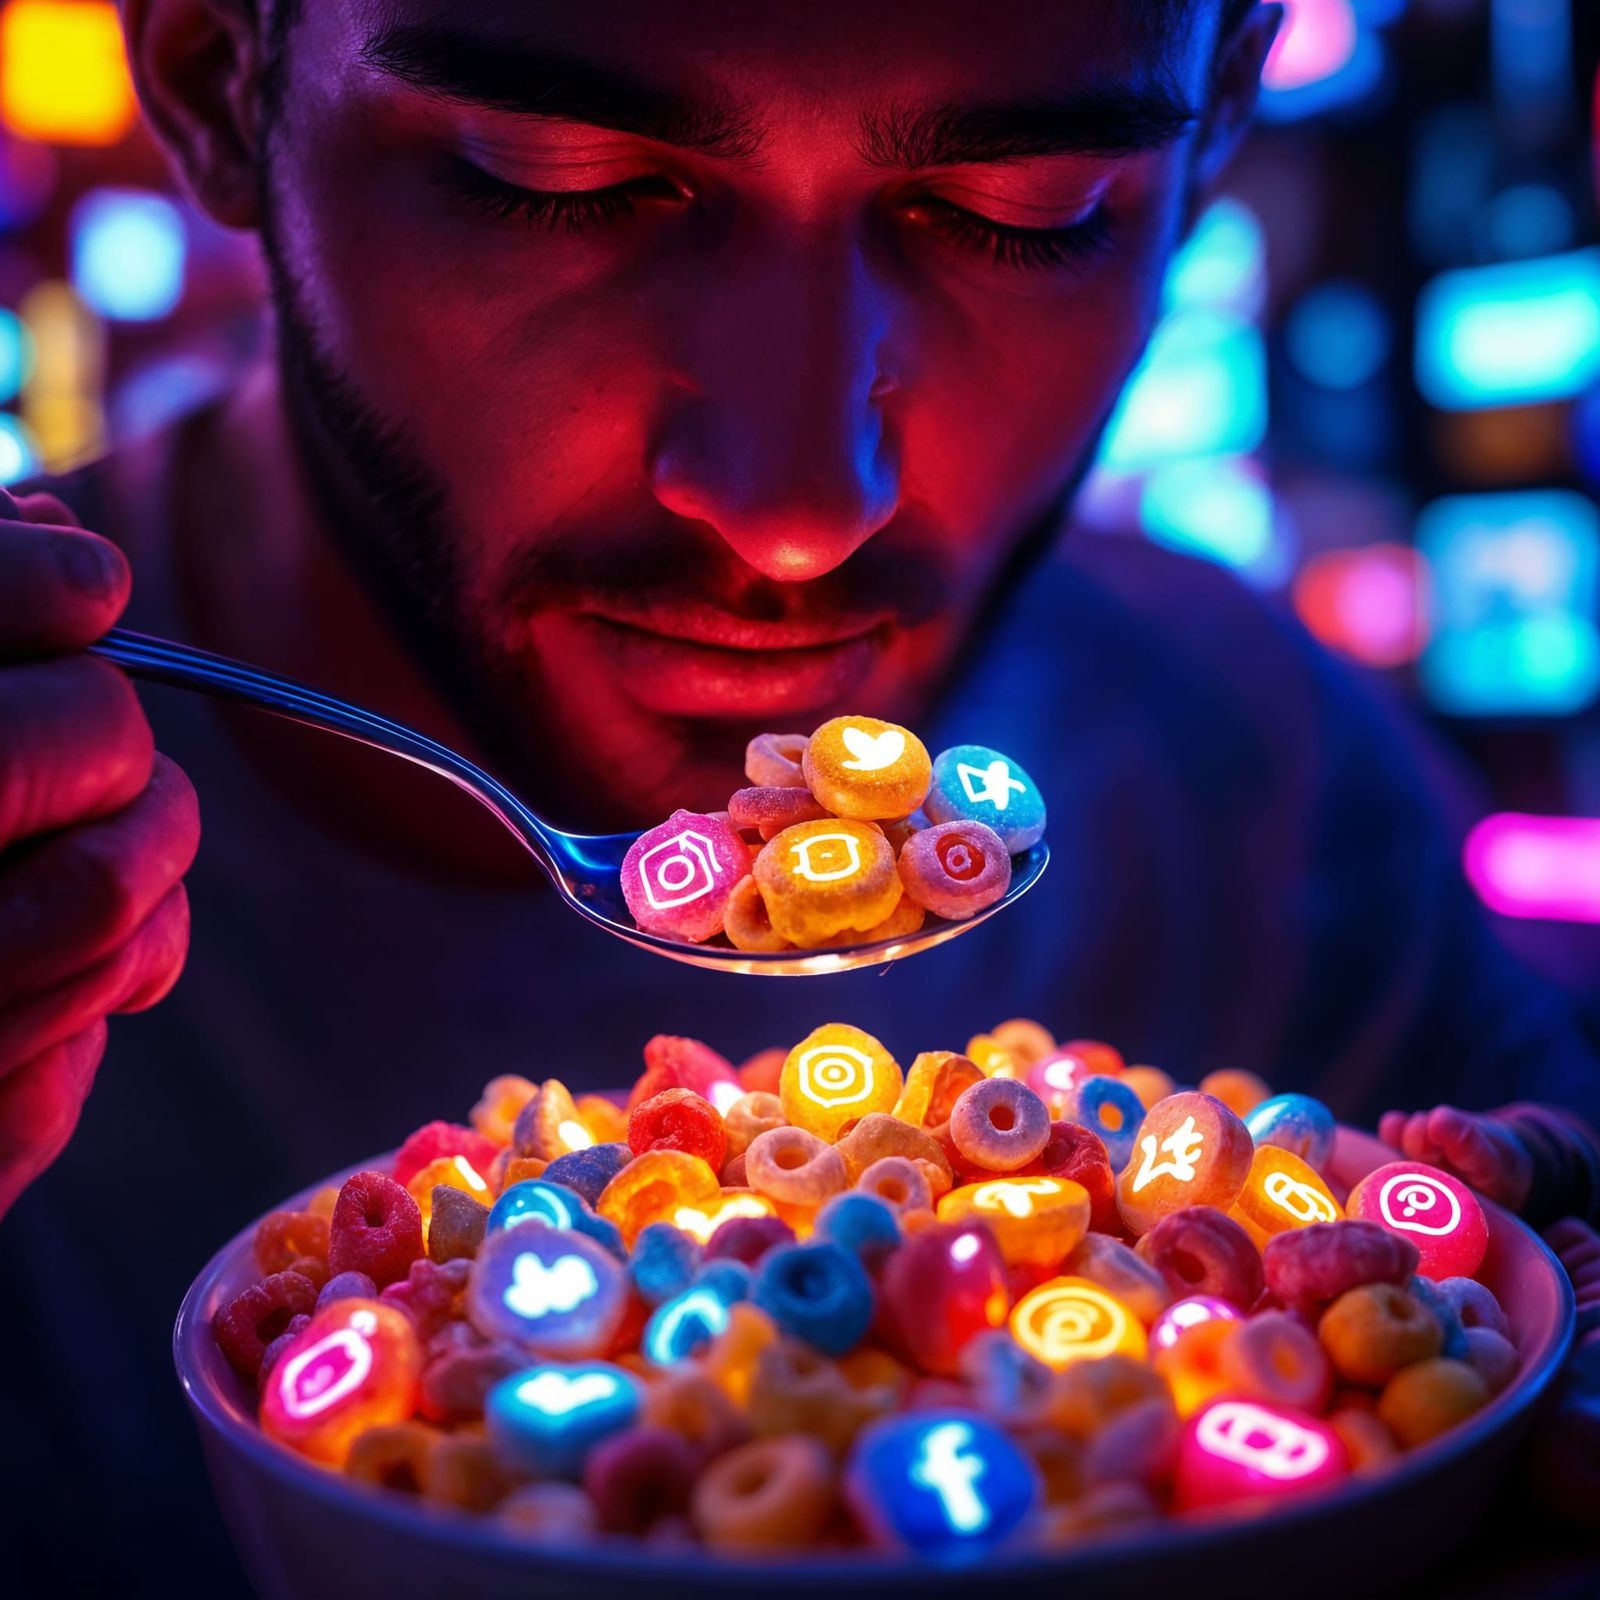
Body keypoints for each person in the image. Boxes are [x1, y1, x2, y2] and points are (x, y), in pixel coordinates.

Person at [0, 0, 1595, 1590]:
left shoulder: (1286, 790)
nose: (797, 513)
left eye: (1023, 216)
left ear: (1220, 126)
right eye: (554, 179)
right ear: (219, 78)